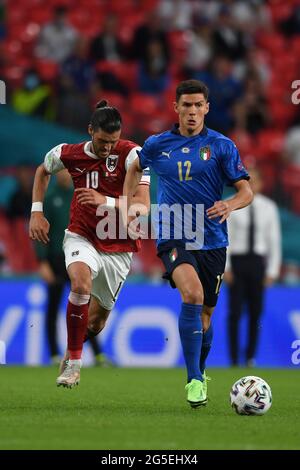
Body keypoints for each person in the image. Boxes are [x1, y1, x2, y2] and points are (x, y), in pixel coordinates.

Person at [124, 79, 253, 408]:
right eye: (187, 105)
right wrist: (130, 204)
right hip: (174, 232)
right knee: (192, 295)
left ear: (207, 108)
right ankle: (194, 380)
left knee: (206, 315)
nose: (192, 112)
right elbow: (134, 167)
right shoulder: (156, 144)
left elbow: (245, 191)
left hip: (212, 238)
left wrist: (230, 204)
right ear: (176, 108)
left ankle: (200, 368)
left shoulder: (222, 146)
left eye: (198, 105)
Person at [29, 101, 150, 388]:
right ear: (90, 131)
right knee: (80, 285)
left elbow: (143, 207)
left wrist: (104, 201)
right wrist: (36, 211)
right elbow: (42, 171)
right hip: (81, 235)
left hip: (119, 247)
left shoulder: (134, 155)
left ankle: (73, 346)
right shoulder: (68, 153)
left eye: (113, 141)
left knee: (95, 324)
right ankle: (74, 362)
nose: (108, 147)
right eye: (102, 141)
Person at [34, 169, 112, 366]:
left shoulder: (80, 195)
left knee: (85, 306)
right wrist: (42, 262)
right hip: (56, 259)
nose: (64, 175)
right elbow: (40, 231)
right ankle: (53, 354)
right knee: (53, 308)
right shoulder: (50, 198)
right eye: (60, 172)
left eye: (67, 171)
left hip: (79, 257)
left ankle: (97, 354)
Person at [225, 167, 282, 367]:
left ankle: (249, 357)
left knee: (255, 312)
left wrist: (272, 271)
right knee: (235, 313)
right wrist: (226, 267)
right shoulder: (230, 204)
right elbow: (226, 238)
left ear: (261, 184)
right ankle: (233, 359)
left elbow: (273, 241)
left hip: (257, 263)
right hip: (237, 262)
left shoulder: (269, 207)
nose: (251, 185)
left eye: (254, 181)